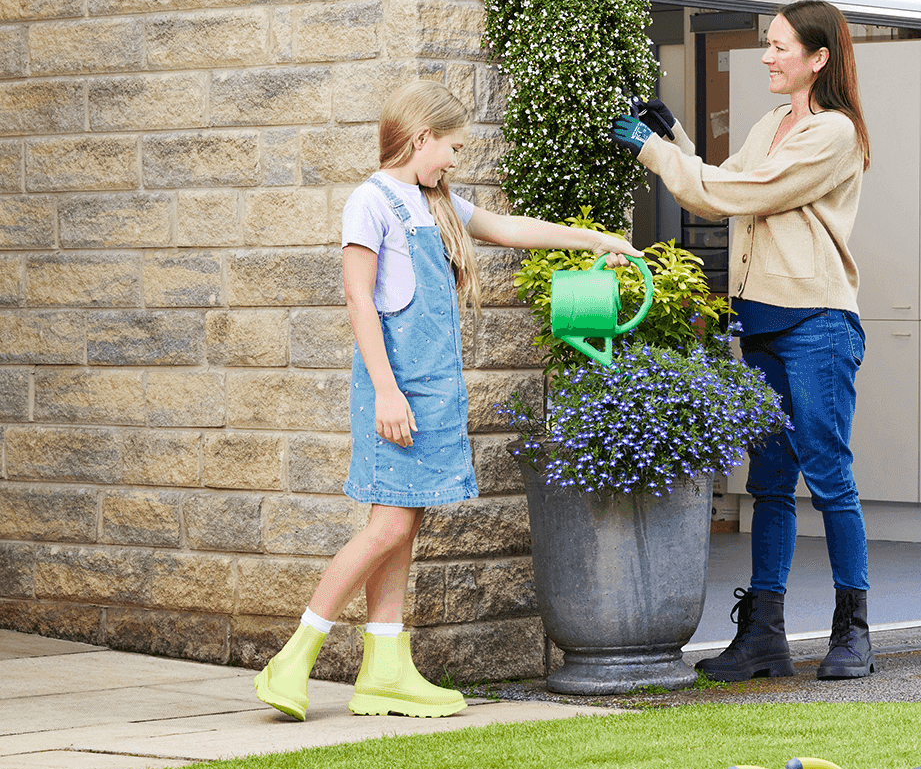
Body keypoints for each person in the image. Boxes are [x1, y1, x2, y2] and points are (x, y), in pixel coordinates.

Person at [253, 79, 644, 721]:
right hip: (396, 389)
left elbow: (505, 228)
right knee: (386, 525)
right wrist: (384, 389)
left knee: (404, 526)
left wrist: (593, 240)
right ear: (421, 137)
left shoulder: (432, 203)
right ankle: (294, 656)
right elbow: (358, 299)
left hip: (432, 389)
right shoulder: (370, 202)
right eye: (452, 148)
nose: (455, 161)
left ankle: (386, 670)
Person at [610, 0, 874, 680]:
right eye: (768, 43)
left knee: (828, 473)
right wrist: (678, 146)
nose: (767, 55)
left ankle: (854, 631)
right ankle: (763, 636)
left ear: (817, 58)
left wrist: (658, 154)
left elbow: (745, 192)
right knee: (770, 482)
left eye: (781, 45)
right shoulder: (768, 124)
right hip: (760, 319)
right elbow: (723, 186)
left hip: (816, 321)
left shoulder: (835, 134)